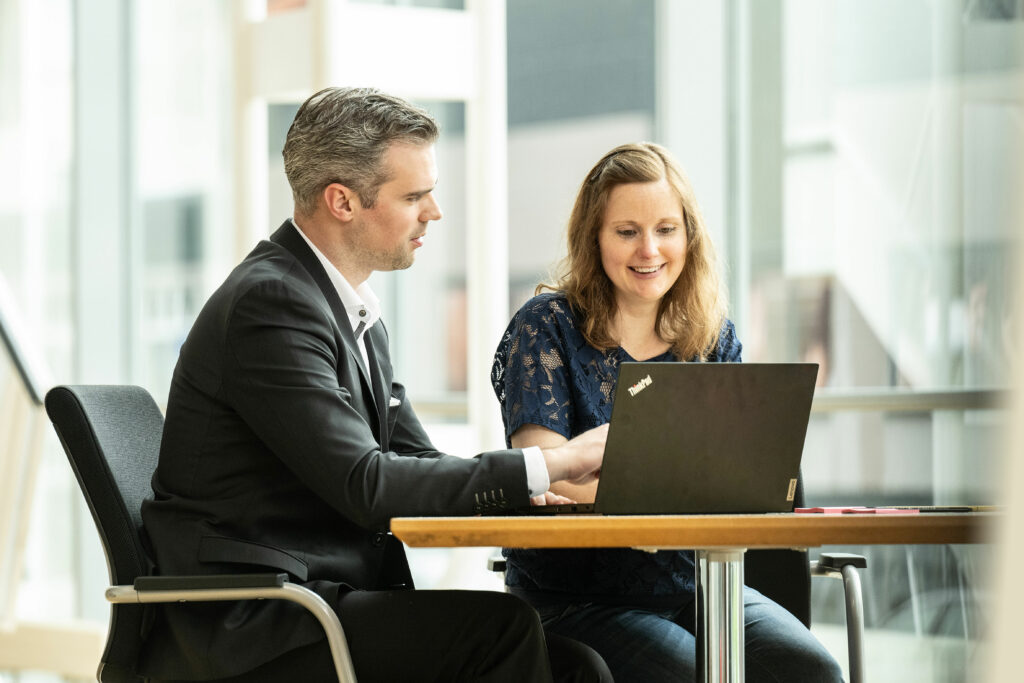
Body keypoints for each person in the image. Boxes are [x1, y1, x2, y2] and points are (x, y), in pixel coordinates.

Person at [138, 87, 611, 683]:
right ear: (342, 201)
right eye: (414, 196)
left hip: (312, 595)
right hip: (256, 621)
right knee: (505, 630)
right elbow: (368, 483)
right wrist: (555, 460)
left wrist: (535, 489)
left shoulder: (349, 312)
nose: (433, 213)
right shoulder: (272, 305)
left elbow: (413, 461)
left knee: (578, 666)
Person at [490, 142, 845, 682]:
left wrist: (631, 489)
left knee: (810, 670)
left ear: (688, 236)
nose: (648, 249)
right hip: (575, 597)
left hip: (699, 584)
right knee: (688, 674)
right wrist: (662, 498)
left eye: (665, 229)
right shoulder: (547, 327)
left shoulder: (711, 334)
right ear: (595, 238)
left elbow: (736, 477)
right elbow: (545, 477)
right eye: (626, 231)